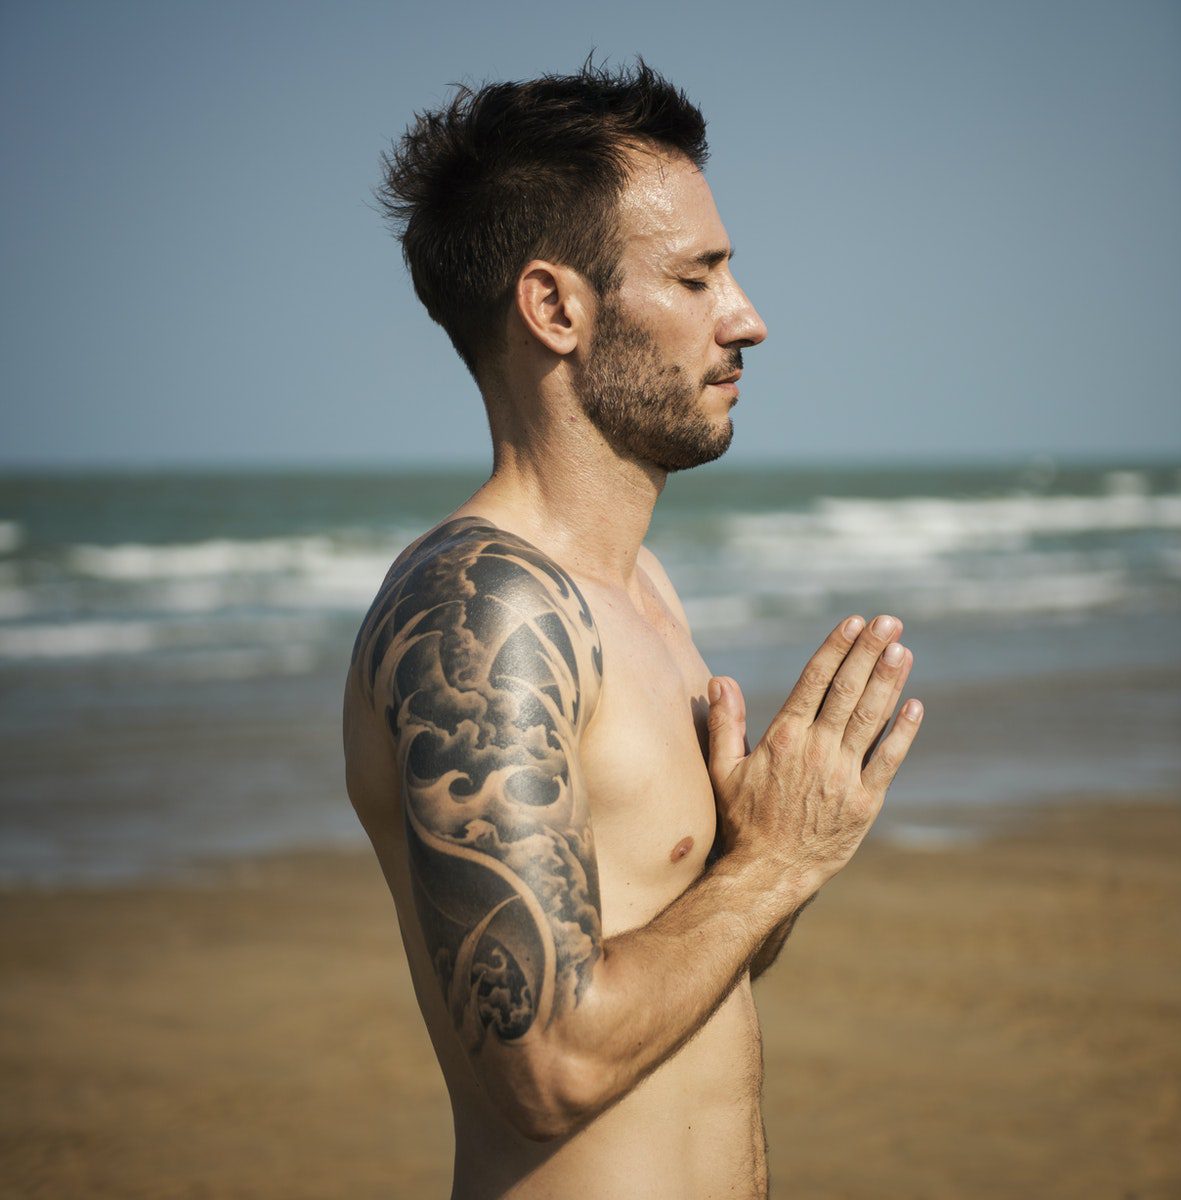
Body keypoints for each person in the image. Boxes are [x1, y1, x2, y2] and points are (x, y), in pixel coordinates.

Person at [342, 59, 923, 1200]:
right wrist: (773, 867)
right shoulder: (486, 614)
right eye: (697, 277)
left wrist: (770, 860)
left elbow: (701, 955)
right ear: (556, 307)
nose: (747, 319)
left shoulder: (636, 587)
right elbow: (544, 1065)